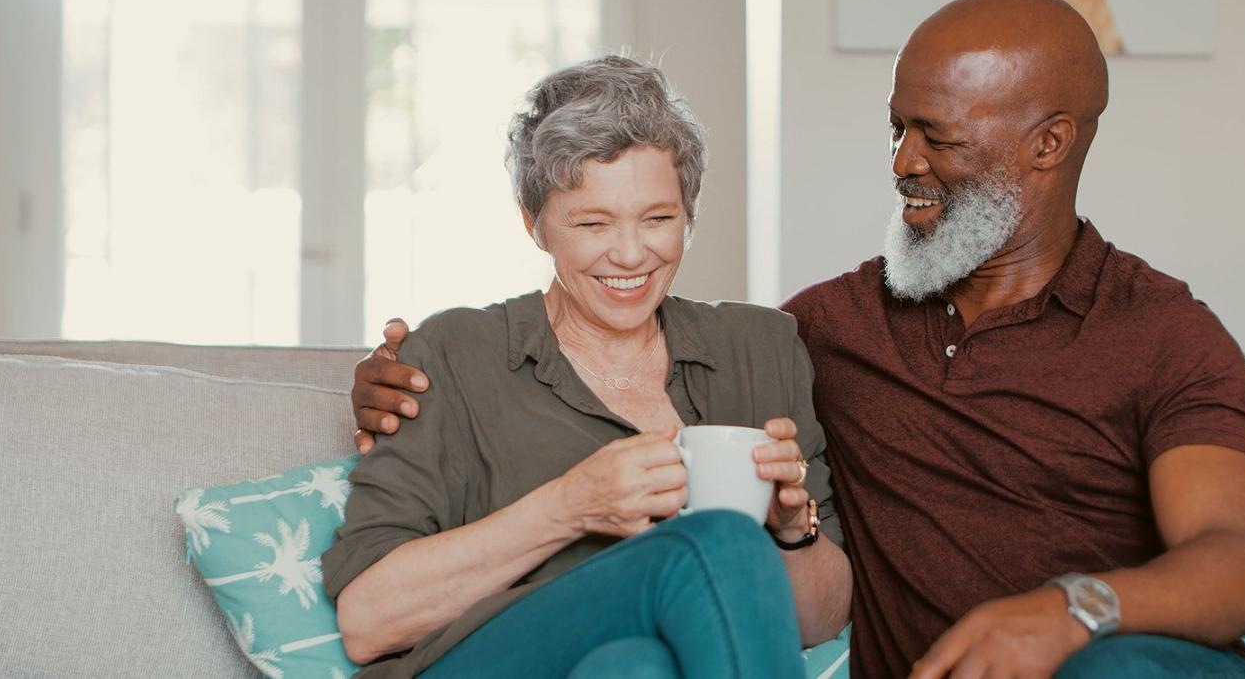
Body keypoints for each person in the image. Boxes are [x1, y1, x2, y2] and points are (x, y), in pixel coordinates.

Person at [354, 0, 1245, 678]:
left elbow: (1241, 567)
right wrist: (385, 381)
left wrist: (1074, 612)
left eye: (937, 138)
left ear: (1049, 143)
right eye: (895, 129)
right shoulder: (827, 330)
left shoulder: (1163, 332)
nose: (902, 162)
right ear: (537, 223)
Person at [325, 55, 851, 679]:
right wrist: (570, 506)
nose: (630, 254)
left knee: (636, 667)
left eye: (659, 219)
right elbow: (367, 624)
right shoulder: (451, 352)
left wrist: (793, 530)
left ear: (690, 213)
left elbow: (821, 621)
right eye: (592, 222)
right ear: (535, 224)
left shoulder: (760, 348)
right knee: (722, 542)